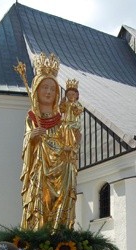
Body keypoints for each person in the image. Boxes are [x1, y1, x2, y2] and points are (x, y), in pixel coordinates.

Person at [19, 53, 81, 230]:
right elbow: (27, 146)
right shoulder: (32, 117)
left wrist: (74, 139)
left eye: (52, 89)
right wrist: (32, 138)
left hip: (62, 172)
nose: (48, 92)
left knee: (62, 198)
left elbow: (71, 145)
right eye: (44, 87)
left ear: (57, 94)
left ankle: (60, 228)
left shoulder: (63, 120)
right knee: (41, 200)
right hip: (40, 171)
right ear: (36, 89)